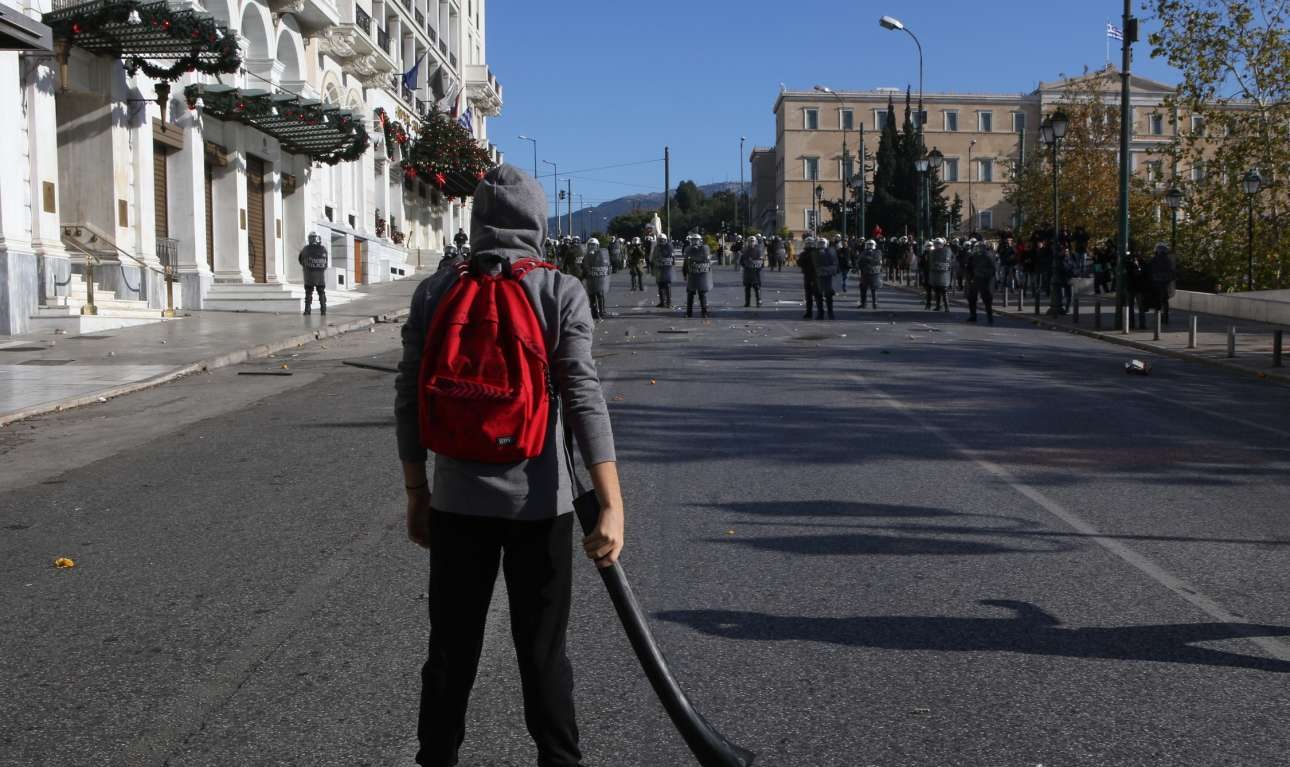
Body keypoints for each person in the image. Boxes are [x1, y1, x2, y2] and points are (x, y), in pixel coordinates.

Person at [394, 164, 623, 767]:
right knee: (543, 653)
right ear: (537, 222)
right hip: (540, 505)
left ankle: (436, 759)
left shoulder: (436, 291)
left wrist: (417, 491)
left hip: (455, 503)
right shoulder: (559, 290)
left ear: (476, 222)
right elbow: (583, 396)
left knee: (451, 651)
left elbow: (409, 396)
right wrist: (611, 503)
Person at [682, 232, 714, 319]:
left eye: (696, 240)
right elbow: (685, 263)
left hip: (701, 274)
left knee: (702, 294)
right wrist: (684, 273)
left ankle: (704, 312)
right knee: (690, 294)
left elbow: (707, 260)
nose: (695, 242)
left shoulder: (704, 248)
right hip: (692, 274)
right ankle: (689, 313)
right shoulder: (688, 249)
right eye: (693, 240)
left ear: (700, 241)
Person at [966, 241, 997, 324]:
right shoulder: (973, 256)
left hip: (985, 280)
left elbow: (992, 269)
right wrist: (970, 277)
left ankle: (990, 317)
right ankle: (973, 316)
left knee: (987, 299)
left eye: (979, 248)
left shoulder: (988, 256)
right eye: (977, 248)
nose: (978, 249)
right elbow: (969, 268)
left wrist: (985, 275)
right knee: (971, 298)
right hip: (975, 279)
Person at [298, 233, 329, 316]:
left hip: (309, 274)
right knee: (321, 292)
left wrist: (307, 265)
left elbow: (300, 260)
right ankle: (323, 310)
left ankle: (307, 310)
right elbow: (326, 263)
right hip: (320, 275)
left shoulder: (305, 249)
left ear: (309, 239)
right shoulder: (323, 249)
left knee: (308, 293)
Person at [583, 237, 612, 320]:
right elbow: (584, 266)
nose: (592, 247)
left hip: (599, 278)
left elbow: (606, 263)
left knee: (600, 295)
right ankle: (594, 313)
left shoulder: (600, 254)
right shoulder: (586, 256)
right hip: (591, 278)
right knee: (592, 296)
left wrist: (607, 270)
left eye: (593, 245)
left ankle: (602, 311)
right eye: (590, 245)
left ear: (597, 246)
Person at [1150, 242, 1177, 325]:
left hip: (1156, 283)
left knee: (1157, 301)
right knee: (1165, 301)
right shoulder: (1168, 260)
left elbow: (1150, 270)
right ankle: (1165, 317)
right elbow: (1172, 273)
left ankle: (1158, 317)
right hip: (1166, 283)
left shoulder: (1155, 259)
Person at [812, 236, 839, 320]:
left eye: (823, 243)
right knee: (818, 295)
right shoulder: (814, 252)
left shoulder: (831, 252)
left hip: (828, 276)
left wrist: (829, 271)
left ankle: (830, 312)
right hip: (817, 276)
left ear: (826, 244)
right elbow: (811, 265)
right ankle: (820, 313)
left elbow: (835, 264)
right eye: (820, 243)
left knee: (828, 295)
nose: (821, 245)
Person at [650, 233, 677, 308]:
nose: (661, 241)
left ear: (665, 240)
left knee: (667, 286)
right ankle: (662, 302)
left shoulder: (669, 247)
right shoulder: (656, 247)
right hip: (658, 268)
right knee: (660, 285)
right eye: (659, 240)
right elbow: (654, 257)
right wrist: (652, 266)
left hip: (666, 268)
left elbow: (672, 257)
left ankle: (669, 302)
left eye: (662, 240)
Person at [739, 234, 766, 307]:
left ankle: (756, 301)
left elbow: (762, 262)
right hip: (750, 271)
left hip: (753, 271)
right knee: (750, 287)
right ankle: (751, 302)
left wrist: (756, 266)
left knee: (755, 287)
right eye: (750, 241)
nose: (751, 243)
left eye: (752, 241)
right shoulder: (747, 250)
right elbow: (742, 261)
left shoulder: (756, 250)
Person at [856, 239, 883, 309]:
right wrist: (859, 266)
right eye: (868, 244)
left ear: (874, 245)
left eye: (871, 245)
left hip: (874, 273)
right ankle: (863, 303)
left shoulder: (877, 252)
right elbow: (859, 261)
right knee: (863, 288)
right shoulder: (864, 252)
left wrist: (866, 260)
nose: (870, 246)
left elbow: (877, 261)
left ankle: (875, 303)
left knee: (874, 289)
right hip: (865, 272)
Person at [797, 236, 818, 319]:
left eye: (810, 243)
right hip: (809, 275)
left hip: (814, 275)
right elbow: (799, 263)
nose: (809, 245)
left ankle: (817, 312)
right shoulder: (805, 253)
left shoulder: (816, 252)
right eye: (808, 243)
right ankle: (809, 312)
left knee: (816, 295)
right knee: (809, 295)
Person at [928, 239, 952, 311]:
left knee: (944, 292)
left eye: (938, 243)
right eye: (936, 243)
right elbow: (930, 263)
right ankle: (938, 306)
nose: (937, 245)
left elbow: (950, 261)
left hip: (944, 274)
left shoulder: (946, 251)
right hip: (935, 274)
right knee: (937, 291)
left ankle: (947, 307)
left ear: (942, 244)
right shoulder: (932, 252)